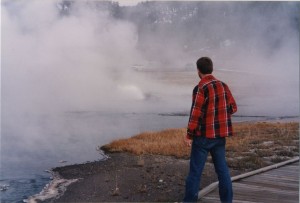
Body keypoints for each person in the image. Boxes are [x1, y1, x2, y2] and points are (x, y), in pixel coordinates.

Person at [183, 57, 237, 203]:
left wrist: (188, 135)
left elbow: (195, 114)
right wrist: (218, 116)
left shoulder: (200, 87)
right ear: (211, 68)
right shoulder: (223, 85)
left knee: (195, 173)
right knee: (223, 171)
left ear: (198, 70)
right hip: (220, 137)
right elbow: (233, 107)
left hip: (203, 137)